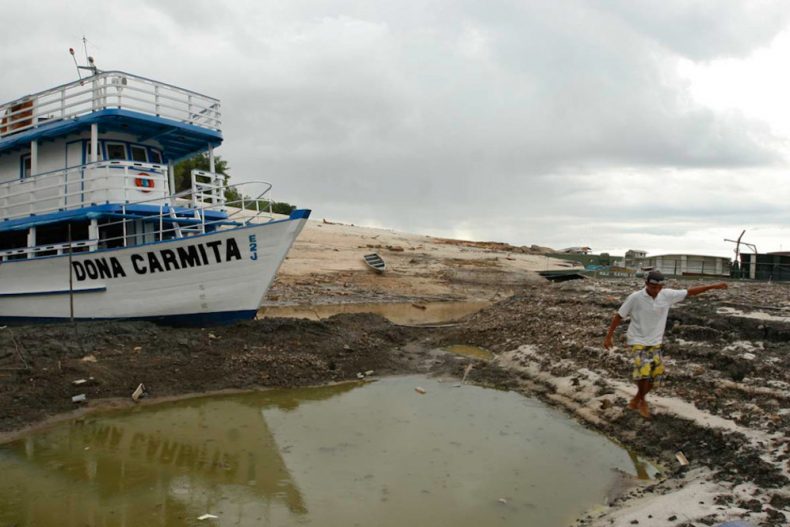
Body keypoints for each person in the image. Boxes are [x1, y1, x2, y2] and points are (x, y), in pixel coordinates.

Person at [603, 270, 727, 418]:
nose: (656, 290)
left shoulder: (667, 295)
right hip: (638, 339)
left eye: (659, 287)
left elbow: (690, 292)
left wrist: (713, 286)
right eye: (653, 287)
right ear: (646, 284)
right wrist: (608, 337)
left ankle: (637, 399)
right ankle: (642, 402)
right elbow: (619, 316)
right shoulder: (635, 297)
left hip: (655, 341)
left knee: (656, 376)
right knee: (644, 372)